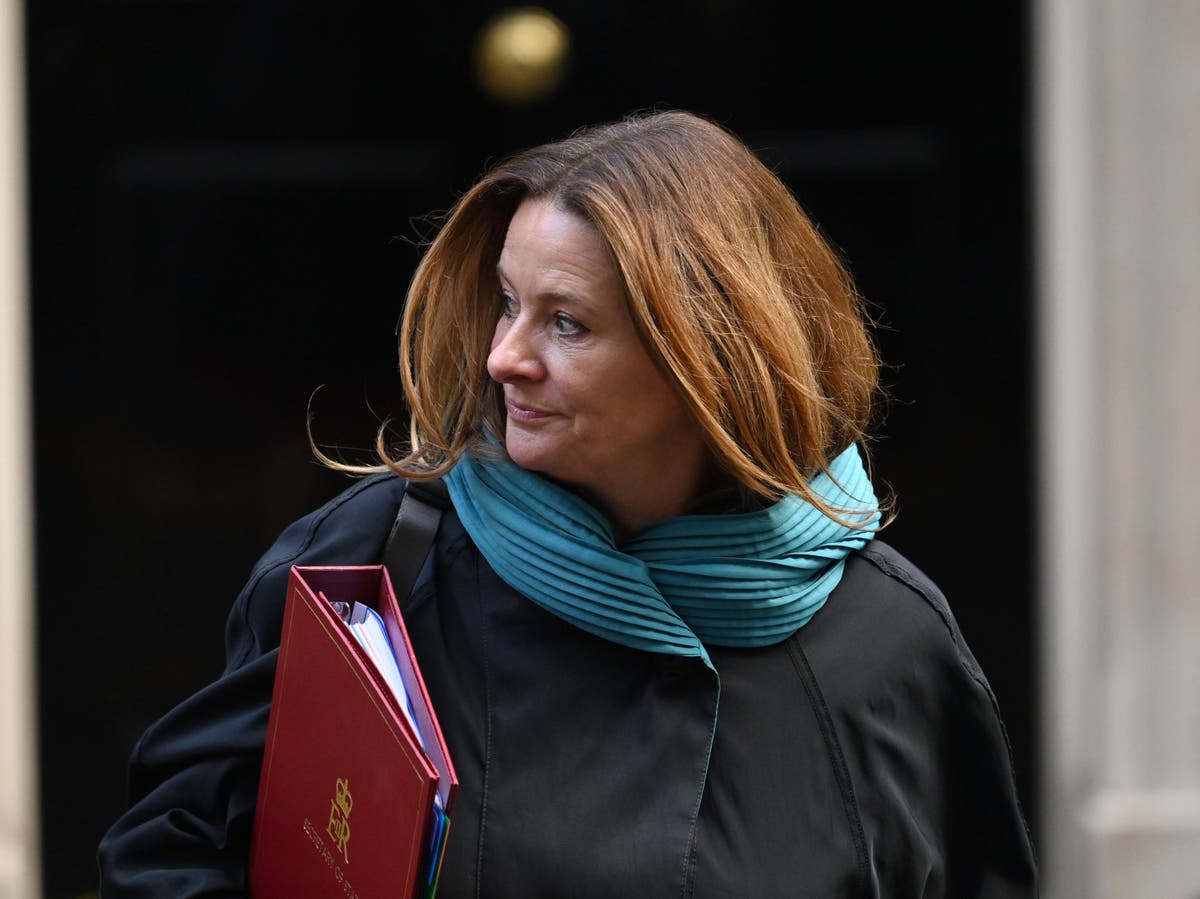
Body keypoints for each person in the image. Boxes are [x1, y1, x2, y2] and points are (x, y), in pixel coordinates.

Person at [98, 110, 1038, 897]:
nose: (505, 356)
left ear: (708, 358)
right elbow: (168, 853)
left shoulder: (888, 641)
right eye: (508, 303)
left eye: (567, 322)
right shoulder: (377, 561)